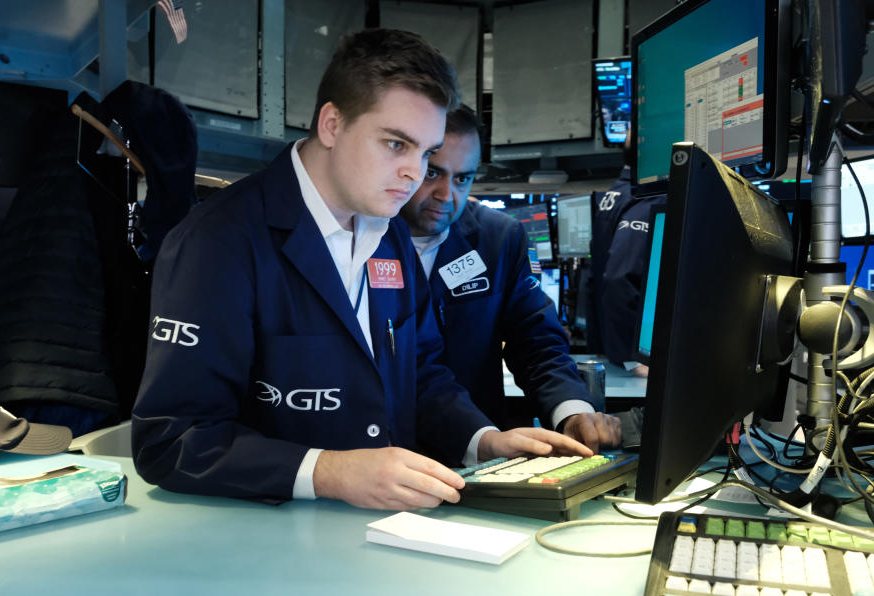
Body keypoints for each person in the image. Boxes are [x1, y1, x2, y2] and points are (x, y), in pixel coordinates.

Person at [131, 29, 592, 512]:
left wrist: (483, 441)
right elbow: (172, 441)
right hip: (268, 544)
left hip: (382, 536)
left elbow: (423, 373)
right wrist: (329, 471)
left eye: (425, 153)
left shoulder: (385, 229)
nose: (414, 173)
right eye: (396, 144)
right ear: (332, 124)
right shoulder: (217, 241)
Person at [397, 106, 620, 453]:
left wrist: (572, 410)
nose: (446, 195)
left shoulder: (497, 238)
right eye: (432, 174)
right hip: (381, 456)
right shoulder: (363, 234)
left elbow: (535, 340)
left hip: (479, 454)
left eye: (462, 179)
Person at [588, 130, 665, 376]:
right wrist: (633, 360)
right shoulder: (649, 197)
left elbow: (593, 278)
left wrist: (601, 345)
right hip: (632, 362)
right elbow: (618, 278)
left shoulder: (617, 193)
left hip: (612, 353)